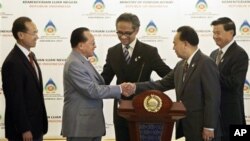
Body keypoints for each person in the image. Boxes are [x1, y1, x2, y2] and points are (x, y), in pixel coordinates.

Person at [125, 26, 222, 141]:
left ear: (185, 44)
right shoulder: (180, 65)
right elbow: (161, 84)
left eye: (175, 44)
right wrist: (135, 87)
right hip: (188, 125)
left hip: (202, 128)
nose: (173, 48)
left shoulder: (206, 63)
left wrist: (209, 127)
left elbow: (212, 98)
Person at [101, 12, 172, 141]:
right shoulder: (113, 52)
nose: (123, 36)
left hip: (144, 107)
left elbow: (168, 76)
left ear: (137, 30)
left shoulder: (149, 52)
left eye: (127, 33)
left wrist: (185, 72)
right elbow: (104, 79)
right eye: (119, 32)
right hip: (121, 108)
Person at [61, 27, 130, 141]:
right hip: (81, 126)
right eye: (92, 43)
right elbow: (93, 90)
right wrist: (120, 89)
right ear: (81, 45)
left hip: (89, 124)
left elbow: (99, 84)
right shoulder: (74, 64)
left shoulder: (82, 60)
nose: (95, 46)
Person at [1, 17, 48, 141]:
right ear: (21, 35)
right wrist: (24, 129)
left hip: (36, 127)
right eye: (34, 33)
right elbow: (15, 100)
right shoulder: (13, 62)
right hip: (23, 132)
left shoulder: (30, 56)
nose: (37, 36)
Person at [210, 17, 249, 141]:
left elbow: (234, 83)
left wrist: (211, 73)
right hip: (215, 115)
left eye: (218, 33)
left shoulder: (240, 54)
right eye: (213, 33)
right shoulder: (213, 54)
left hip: (232, 114)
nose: (215, 36)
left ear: (230, 33)